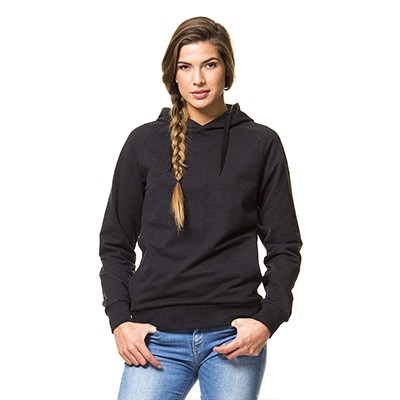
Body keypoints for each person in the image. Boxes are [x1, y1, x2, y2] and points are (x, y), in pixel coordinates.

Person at [99, 16, 302, 400]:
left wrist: (268, 319)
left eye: (209, 64)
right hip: (155, 337)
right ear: (172, 75)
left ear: (227, 71)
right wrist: (120, 320)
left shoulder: (260, 143)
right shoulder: (144, 143)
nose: (198, 79)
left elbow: (284, 244)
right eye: (185, 67)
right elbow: (115, 242)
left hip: (233, 337)